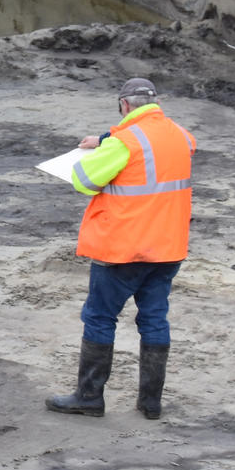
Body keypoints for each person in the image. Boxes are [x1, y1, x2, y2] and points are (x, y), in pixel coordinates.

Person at [47, 77, 196, 420]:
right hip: (168, 248)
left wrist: (102, 146)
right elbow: (155, 148)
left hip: (124, 251)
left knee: (100, 317)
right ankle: (151, 403)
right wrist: (104, 139)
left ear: (125, 106)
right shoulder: (181, 136)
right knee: (155, 319)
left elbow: (84, 180)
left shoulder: (124, 142)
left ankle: (89, 397)